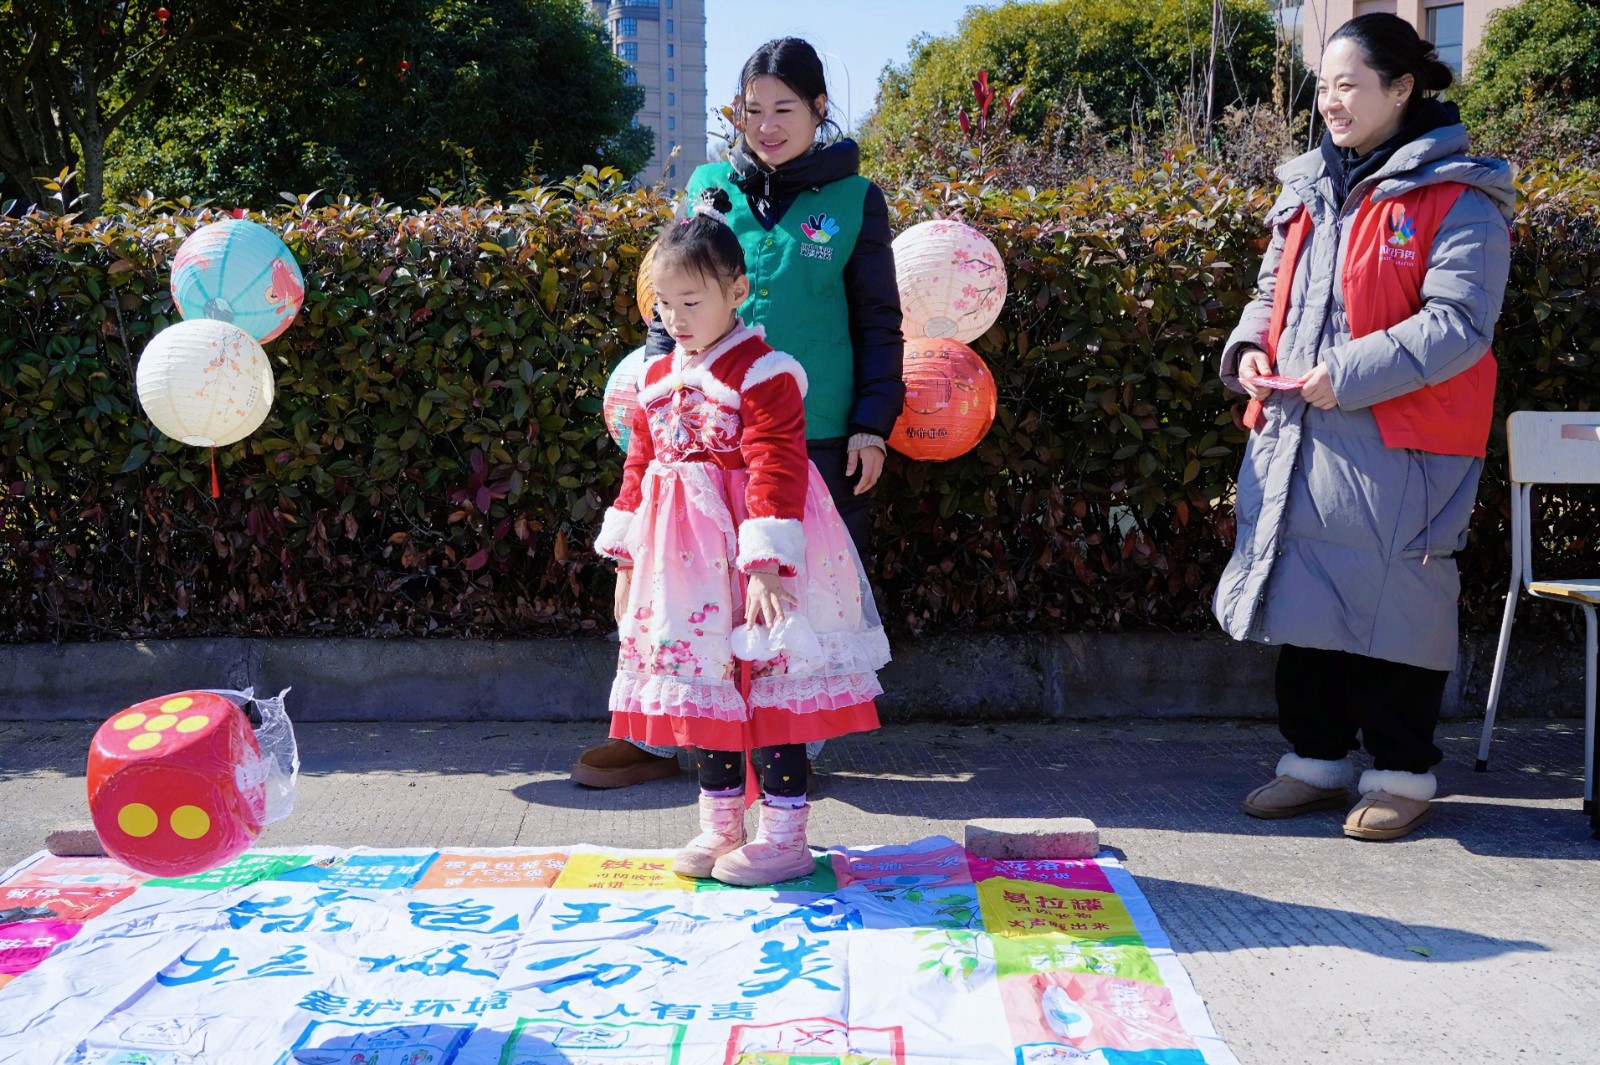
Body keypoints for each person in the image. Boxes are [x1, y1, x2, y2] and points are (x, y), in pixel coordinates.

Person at [574, 36, 904, 788]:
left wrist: (872, 422)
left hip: (814, 433)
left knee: (797, 593)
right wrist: (658, 391)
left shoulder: (855, 198)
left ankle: (786, 748)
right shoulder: (709, 186)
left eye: (784, 108)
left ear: (819, 109)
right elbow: (667, 296)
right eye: (753, 110)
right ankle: (666, 736)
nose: (767, 125)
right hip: (702, 436)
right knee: (682, 589)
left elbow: (879, 319)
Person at [1214, 13, 1513, 841]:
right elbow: (1270, 291)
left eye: (1349, 85)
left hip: (1400, 440)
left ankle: (1400, 772)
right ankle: (1314, 759)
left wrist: (1344, 373)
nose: (1331, 103)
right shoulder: (1308, 187)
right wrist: (1249, 347)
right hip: (1303, 429)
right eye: (1324, 86)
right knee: (1304, 596)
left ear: (1403, 88)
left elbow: (1459, 324)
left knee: (1398, 603)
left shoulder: (1460, 194)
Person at [593, 189, 888, 885]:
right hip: (681, 566)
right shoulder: (656, 376)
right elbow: (639, 468)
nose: (676, 318)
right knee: (706, 689)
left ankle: (784, 836)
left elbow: (778, 466)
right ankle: (719, 826)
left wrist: (766, 565)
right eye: (664, 304)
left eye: (692, 302)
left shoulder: (764, 371)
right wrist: (626, 560)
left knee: (770, 690)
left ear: (737, 292)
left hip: (752, 558)